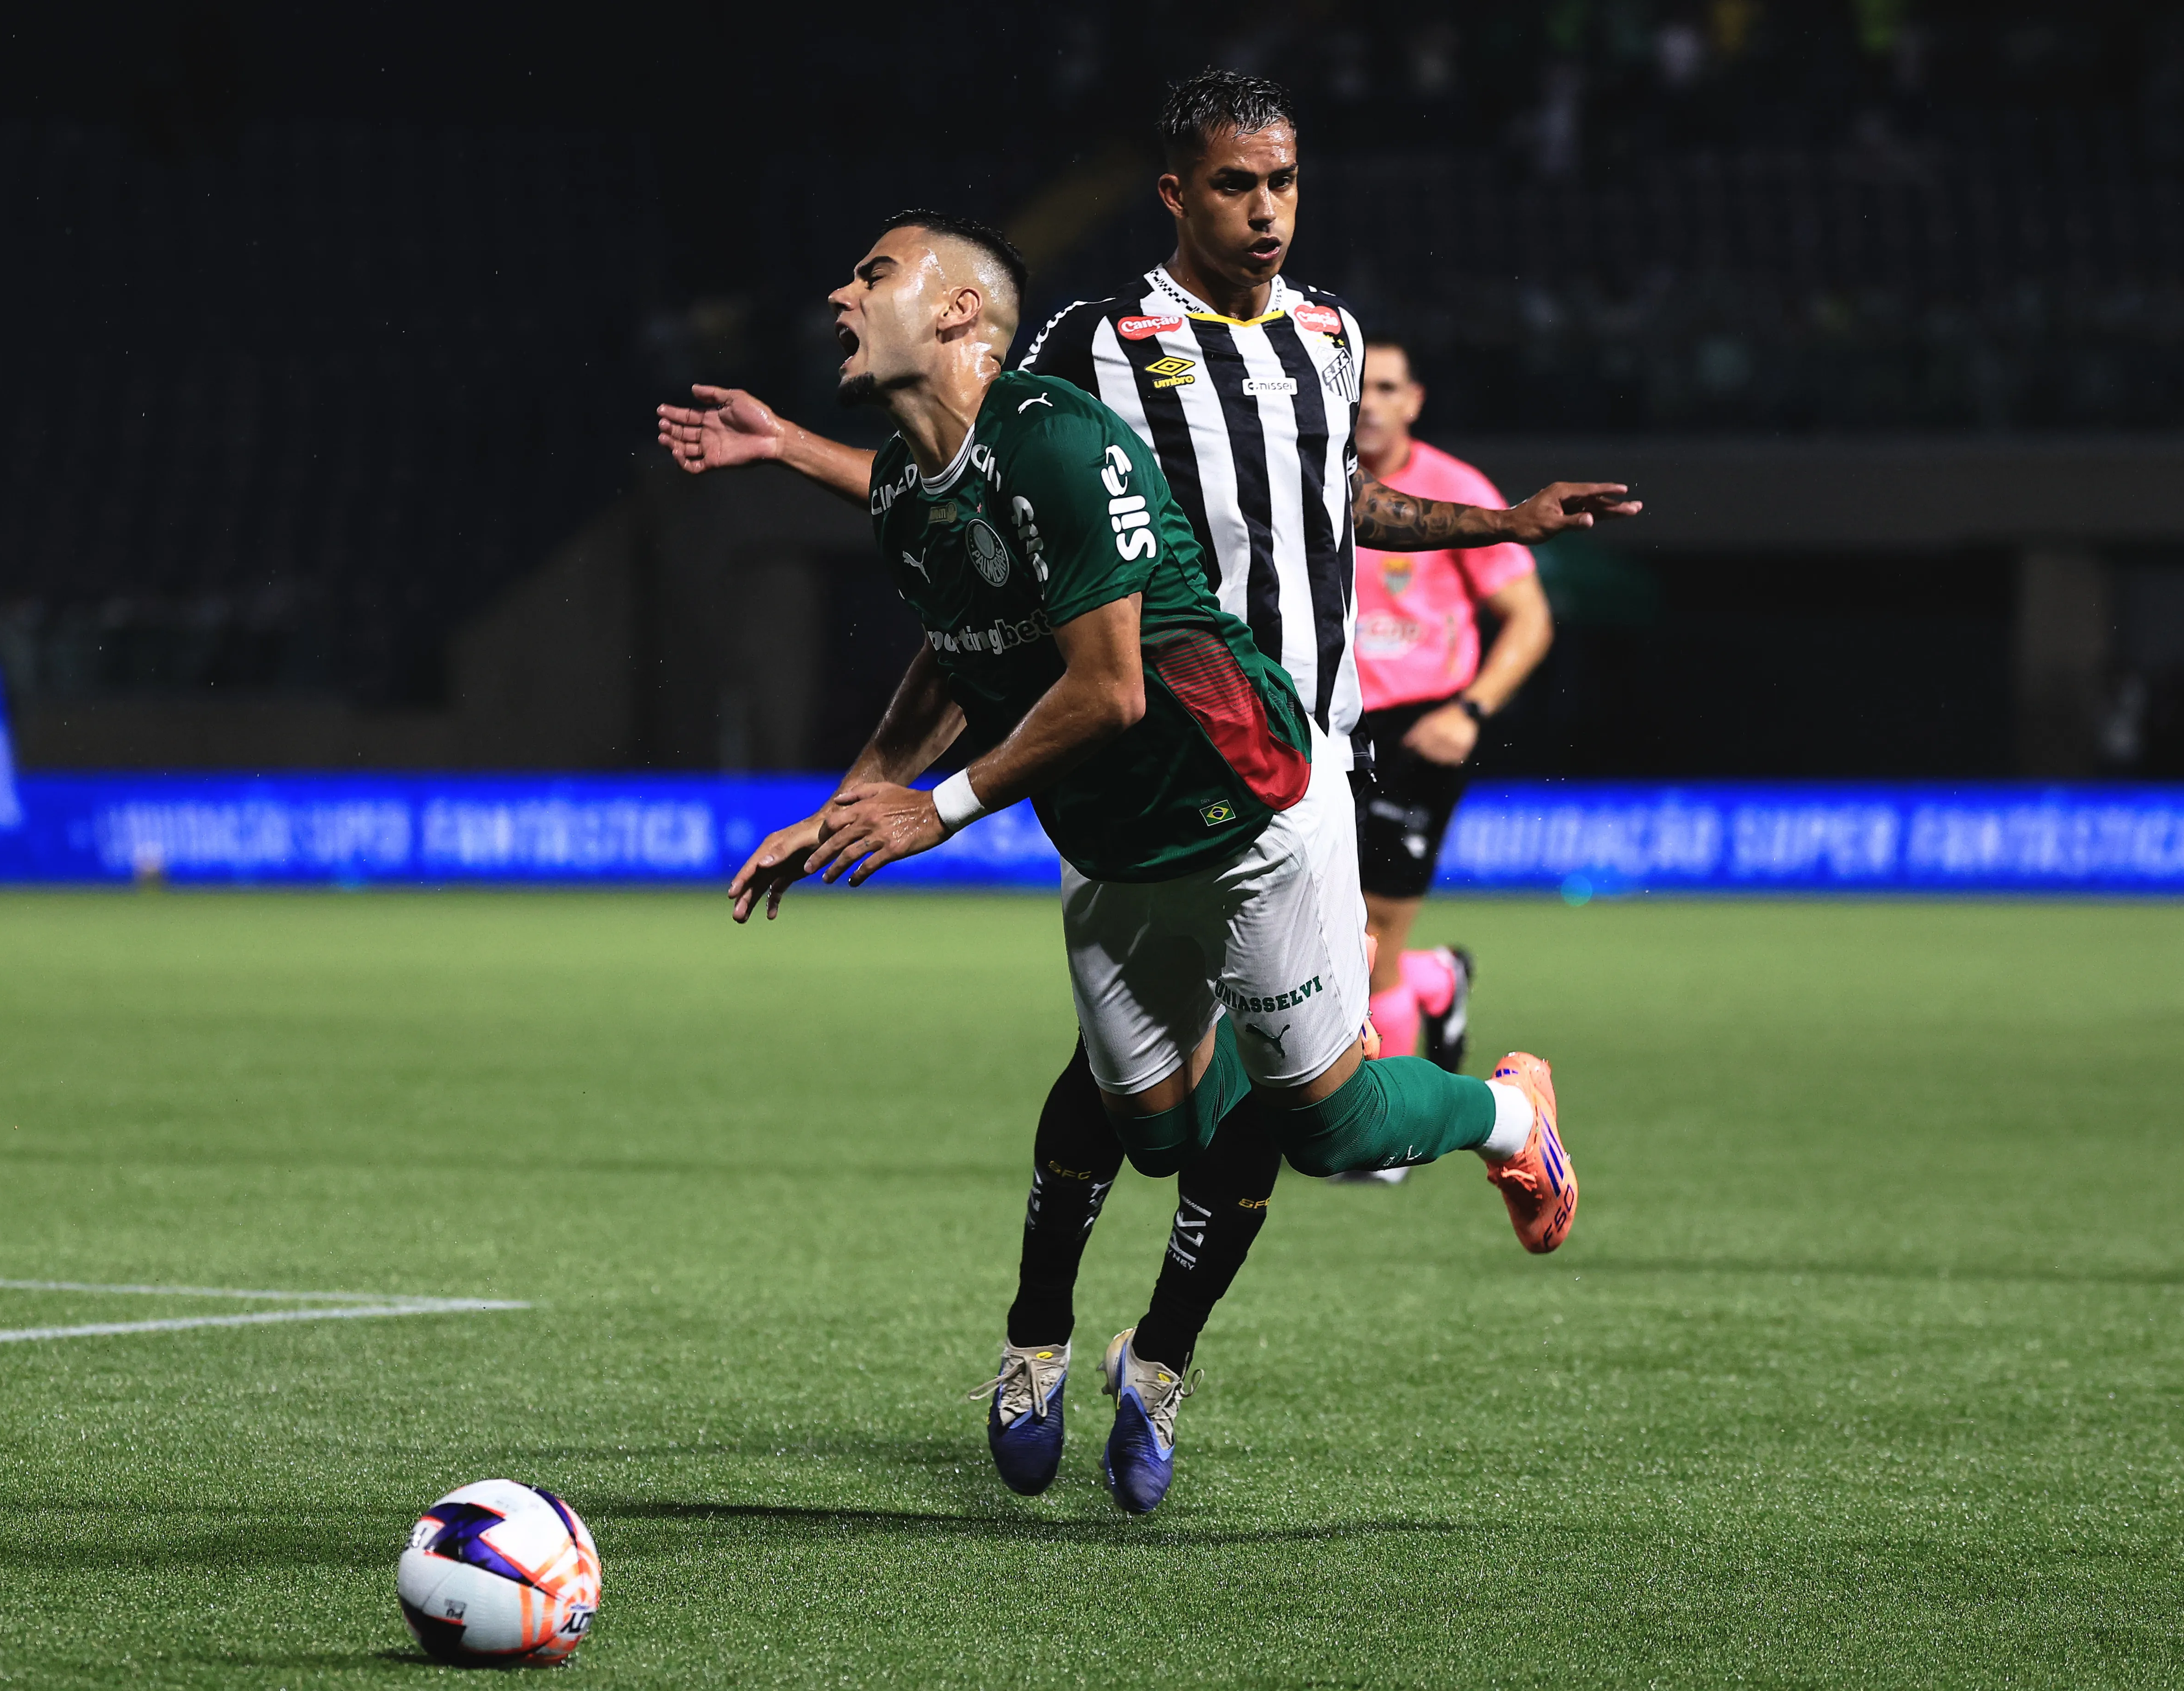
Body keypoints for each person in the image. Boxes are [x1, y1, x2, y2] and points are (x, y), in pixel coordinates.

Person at [658, 73, 1632, 1512]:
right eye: (1239, 184)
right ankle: (1104, 1305)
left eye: (1285, 183)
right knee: (1167, 1118)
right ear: (1175, 191)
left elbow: (1328, 502)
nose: (1268, 210)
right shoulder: (1088, 351)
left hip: (1281, 758)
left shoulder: (1330, 338)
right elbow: (966, 496)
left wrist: (1496, 518)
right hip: (1113, 769)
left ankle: (1242, 1289)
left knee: (1313, 1117)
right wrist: (859, 771)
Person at [1346, 337, 1557, 1120]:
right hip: (1327, 726)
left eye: (1387, 386)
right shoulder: (1313, 478)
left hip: (1419, 731)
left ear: (1413, 400)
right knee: (1323, 928)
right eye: (1358, 384)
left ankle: (1388, 1127)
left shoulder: (1451, 488)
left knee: (1372, 934)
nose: (1369, 400)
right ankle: (1435, 981)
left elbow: (1528, 621)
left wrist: (1467, 711)